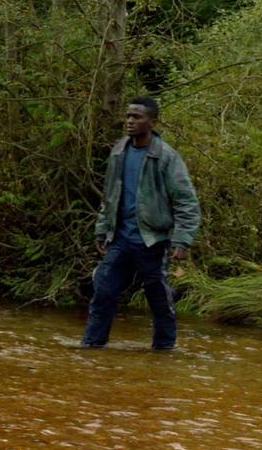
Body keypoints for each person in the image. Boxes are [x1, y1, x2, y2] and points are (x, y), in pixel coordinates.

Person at [82, 96, 200, 350]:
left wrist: (182, 239)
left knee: (158, 298)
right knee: (104, 292)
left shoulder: (166, 157)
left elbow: (186, 201)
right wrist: (102, 229)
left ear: (153, 122)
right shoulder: (118, 151)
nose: (130, 121)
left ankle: (165, 351)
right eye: (128, 116)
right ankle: (91, 348)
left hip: (153, 240)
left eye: (137, 117)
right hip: (121, 239)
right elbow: (110, 196)